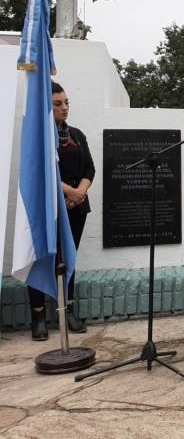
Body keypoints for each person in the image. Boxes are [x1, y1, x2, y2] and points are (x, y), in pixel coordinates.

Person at [28, 82, 95, 341]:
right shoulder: (38, 137)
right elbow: (42, 172)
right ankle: (38, 317)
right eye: (57, 104)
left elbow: (90, 168)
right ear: (47, 107)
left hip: (76, 207)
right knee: (43, 259)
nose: (64, 108)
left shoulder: (76, 134)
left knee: (69, 258)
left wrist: (80, 192)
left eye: (66, 102)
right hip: (49, 207)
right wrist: (69, 191)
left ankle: (67, 312)